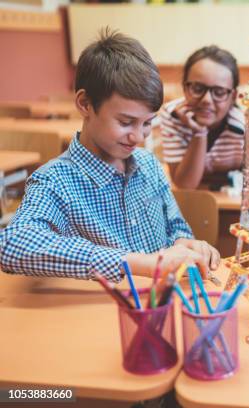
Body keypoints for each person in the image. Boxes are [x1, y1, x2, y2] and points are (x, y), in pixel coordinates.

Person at [0, 29, 219, 281]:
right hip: (102, 313)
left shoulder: (147, 164)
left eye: (147, 123)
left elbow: (175, 226)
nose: (139, 137)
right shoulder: (55, 181)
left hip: (159, 306)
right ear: (85, 104)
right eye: (126, 122)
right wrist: (139, 263)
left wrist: (184, 242)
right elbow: (13, 245)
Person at [161, 46, 244, 190]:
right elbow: (185, 185)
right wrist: (199, 133)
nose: (207, 100)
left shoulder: (243, 125)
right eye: (198, 89)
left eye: (219, 92)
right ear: (185, 89)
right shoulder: (172, 115)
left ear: (233, 96)